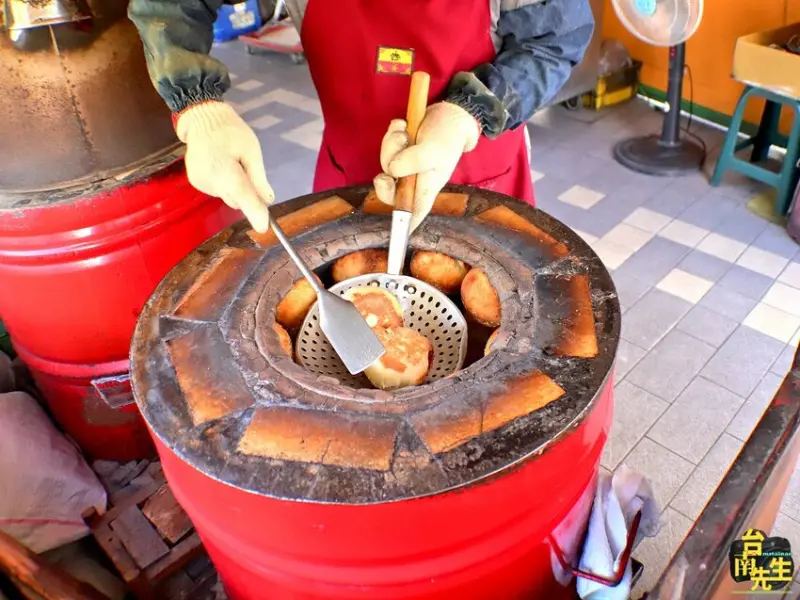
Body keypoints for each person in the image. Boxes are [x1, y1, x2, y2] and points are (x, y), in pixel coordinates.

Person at [128, 0, 594, 234]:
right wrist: (198, 108)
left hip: (481, 175)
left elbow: (552, 41)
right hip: (348, 173)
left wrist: (465, 115)